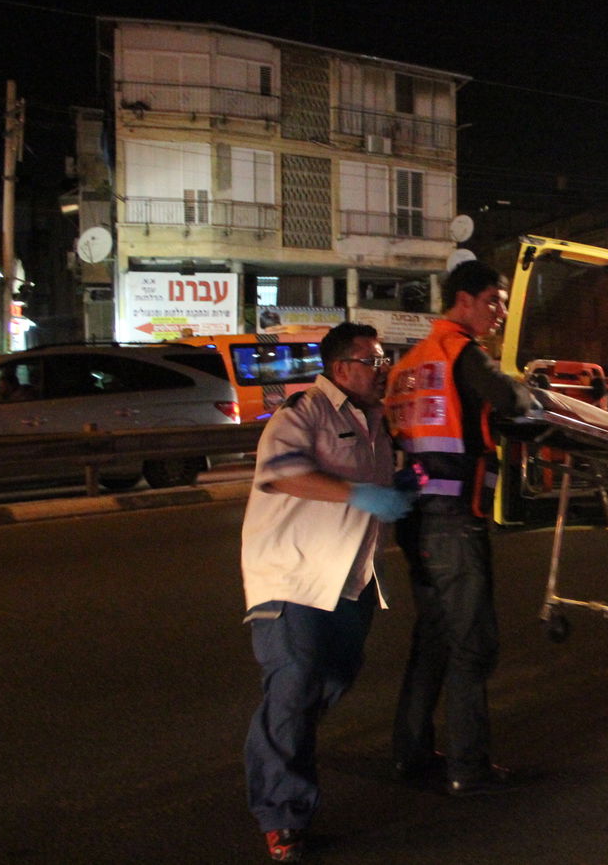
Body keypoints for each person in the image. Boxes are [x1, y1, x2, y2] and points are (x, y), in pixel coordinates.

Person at [240, 322, 413, 863]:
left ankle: (281, 756)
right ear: (343, 368)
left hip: (350, 579)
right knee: (293, 689)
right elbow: (283, 474)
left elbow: (387, 488)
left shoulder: (377, 423)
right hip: (292, 577)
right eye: (373, 360)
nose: (382, 369)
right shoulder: (303, 413)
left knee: (330, 681)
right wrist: (358, 494)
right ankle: (282, 814)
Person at [384, 259, 534, 796]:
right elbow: (513, 401)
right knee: (473, 645)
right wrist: (528, 390)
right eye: (493, 300)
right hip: (454, 523)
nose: (498, 312)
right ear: (464, 301)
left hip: (416, 520)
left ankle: (410, 752)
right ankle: (467, 767)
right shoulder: (463, 355)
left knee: (432, 640)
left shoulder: (410, 363)